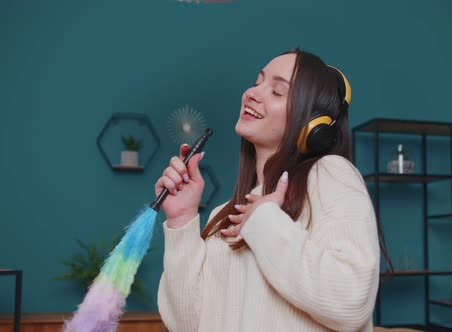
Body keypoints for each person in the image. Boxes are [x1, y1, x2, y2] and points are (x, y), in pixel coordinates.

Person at [155, 48, 380, 332]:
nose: (253, 92)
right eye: (258, 81)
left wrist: (264, 220)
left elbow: (352, 301)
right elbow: (186, 323)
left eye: (277, 91)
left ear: (313, 125)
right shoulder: (222, 216)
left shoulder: (330, 174)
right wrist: (181, 220)